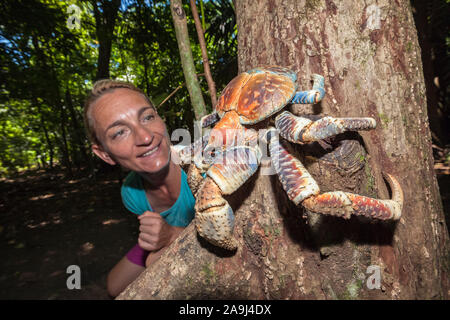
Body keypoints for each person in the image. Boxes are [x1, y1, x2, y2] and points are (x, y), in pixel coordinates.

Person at [83, 80, 196, 298]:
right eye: (119, 133)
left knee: (156, 262)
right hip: (164, 235)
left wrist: (173, 235)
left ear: (160, 119)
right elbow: (155, 235)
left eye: (147, 117)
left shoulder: (200, 165)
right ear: (104, 154)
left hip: (182, 235)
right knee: (114, 286)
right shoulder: (131, 192)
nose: (145, 137)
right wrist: (160, 237)